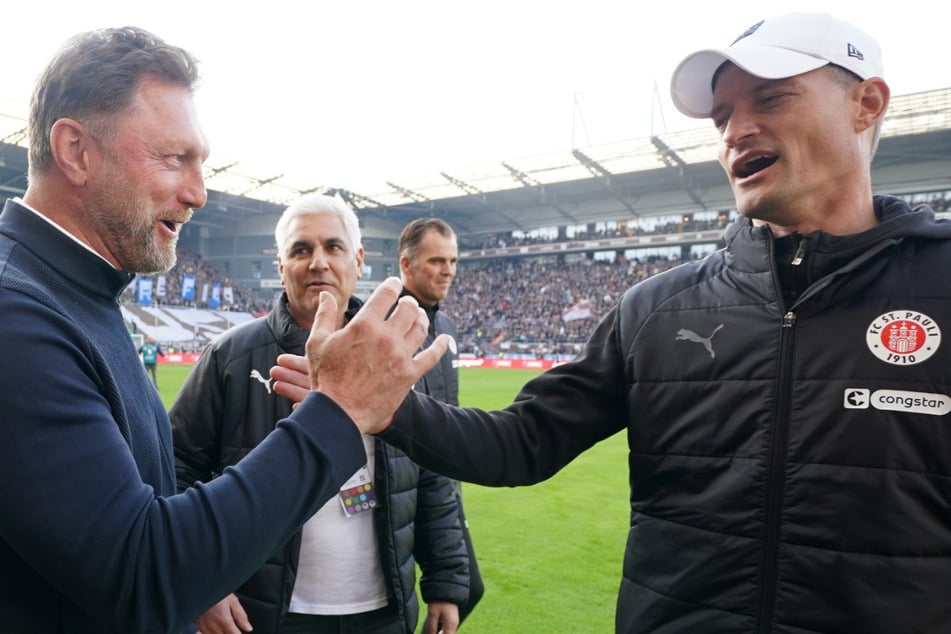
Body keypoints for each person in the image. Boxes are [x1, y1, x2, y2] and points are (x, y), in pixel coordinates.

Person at [274, 12, 951, 633]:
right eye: (720, 117)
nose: (735, 130)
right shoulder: (658, 308)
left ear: (865, 104)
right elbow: (521, 443)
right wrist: (384, 406)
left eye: (770, 99)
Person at [0, 27, 448, 634]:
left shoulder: (78, 294)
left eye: (201, 162)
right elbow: (143, 571)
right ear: (77, 151)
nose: (199, 193)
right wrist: (339, 411)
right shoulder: (17, 315)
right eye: (173, 157)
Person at [171, 196, 471, 634]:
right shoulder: (230, 358)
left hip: (383, 612)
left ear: (358, 259)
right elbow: (175, 469)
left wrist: (445, 580)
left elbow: (431, 473)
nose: (318, 262)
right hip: (263, 616)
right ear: (280, 264)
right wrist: (203, 583)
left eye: (333, 247)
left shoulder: (397, 353)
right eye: (300, 250)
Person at [396, 218, 484, 621]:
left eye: (452, 260)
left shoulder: (445, 324)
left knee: (465, 589)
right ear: (407, 265)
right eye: (436, 260)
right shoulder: (387, 326)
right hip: (402, 486)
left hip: (444, 480)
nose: (448, 270)